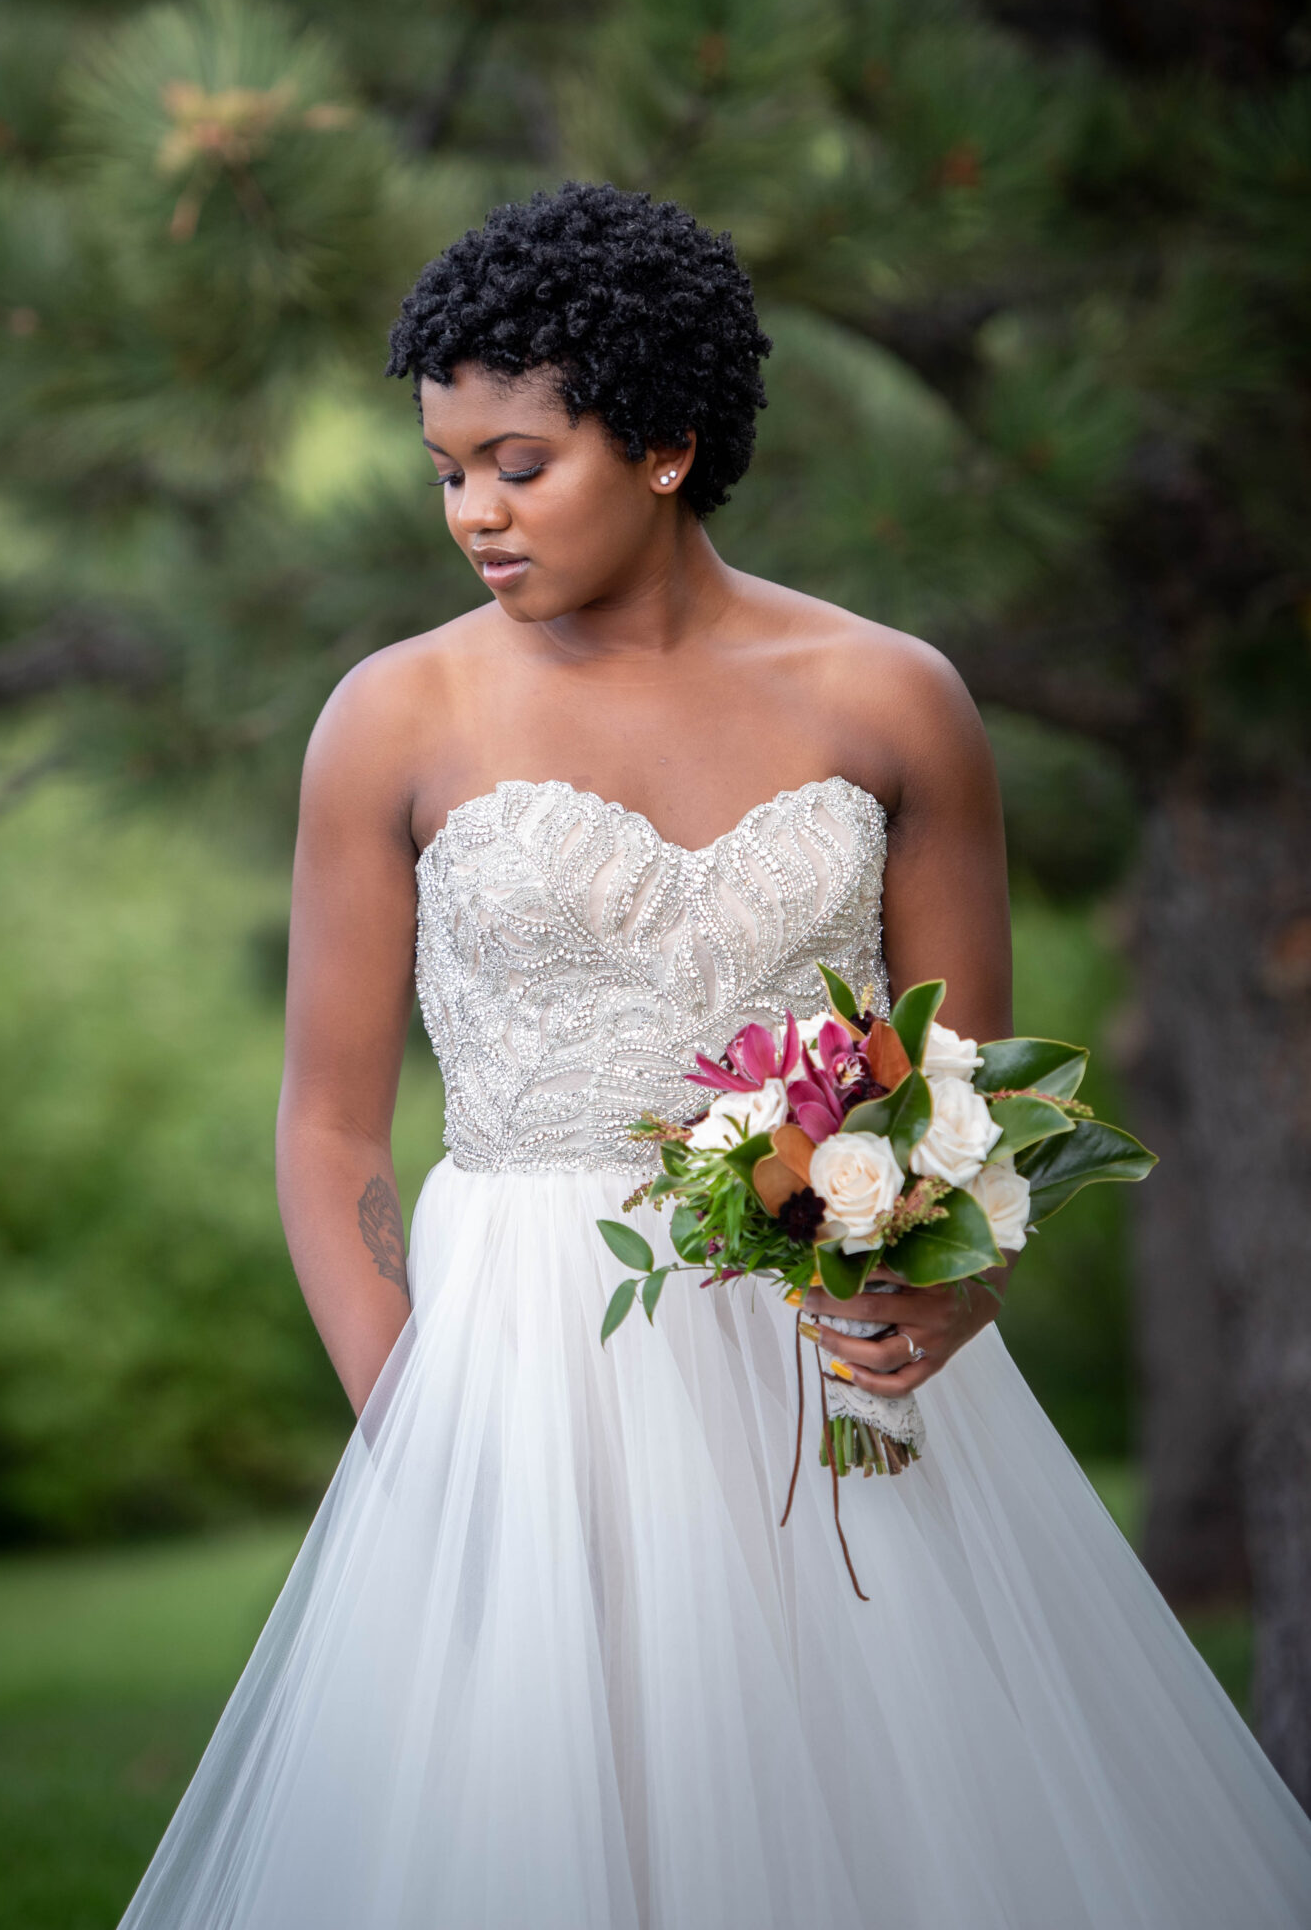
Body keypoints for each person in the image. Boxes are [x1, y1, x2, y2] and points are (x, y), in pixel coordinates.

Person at [120, 184, 1311, 1929]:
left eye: (518, 463)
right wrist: (418, 1427)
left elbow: (959, 1098)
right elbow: (328, 1131)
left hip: (826, 1365)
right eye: (446, 467)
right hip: (521, 1360)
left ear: (666, 444)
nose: (472, 513)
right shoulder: (394, 716)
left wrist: (952, 1295)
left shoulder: (891, 698)